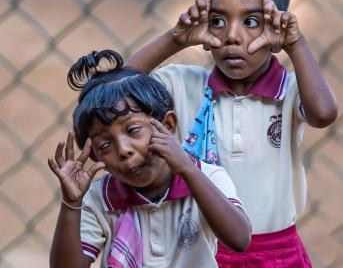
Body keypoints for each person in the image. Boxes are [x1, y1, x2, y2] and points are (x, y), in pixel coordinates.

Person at [125, 0, 338, 267]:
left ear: (277, 29)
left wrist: (296, 43)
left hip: (276, 251)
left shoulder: (291, 91)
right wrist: (176, 38)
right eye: (218, 21)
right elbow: (115, 88)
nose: (232, 37)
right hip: (200, 252)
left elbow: (324, 114)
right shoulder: (184, 85)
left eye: (251, 22)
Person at [48, 49, 251, 268]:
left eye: (133, 130)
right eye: (105, 145)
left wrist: (187, 170)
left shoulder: (206, 177)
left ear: (168, 125)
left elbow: (239, 239)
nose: (124, 150)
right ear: (96, 156)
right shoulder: (99, 199)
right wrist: (71, 204)